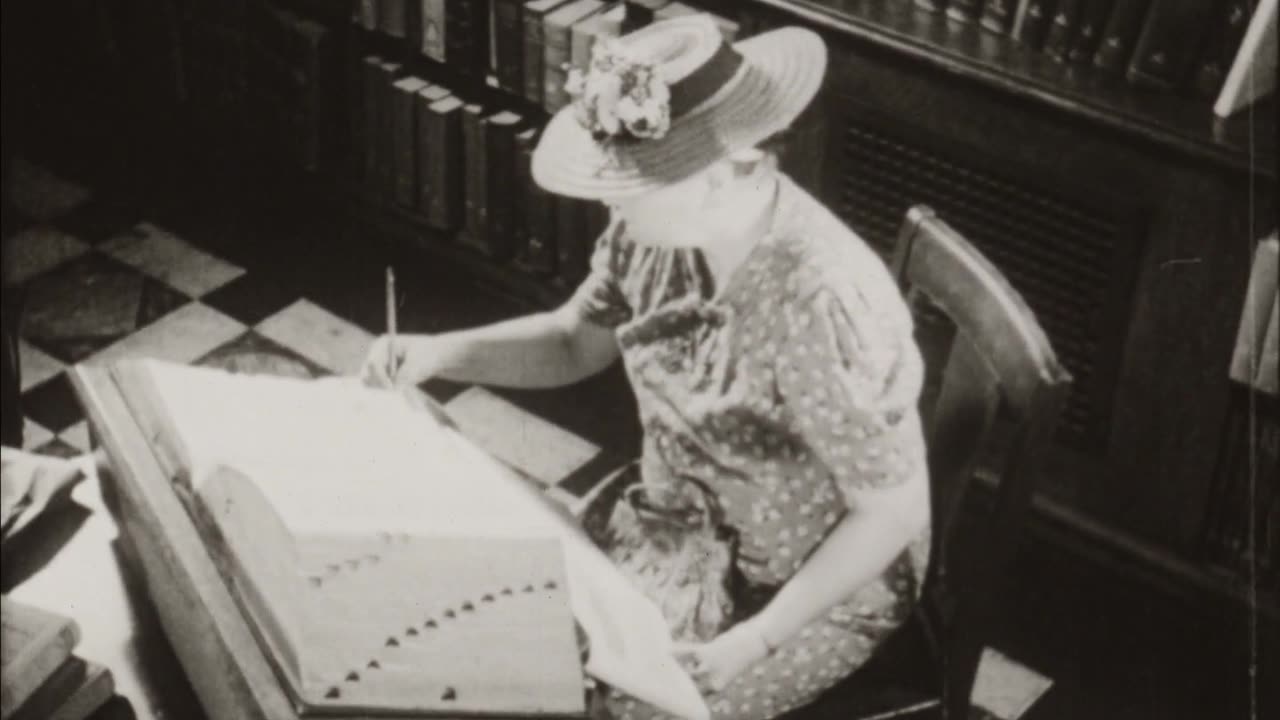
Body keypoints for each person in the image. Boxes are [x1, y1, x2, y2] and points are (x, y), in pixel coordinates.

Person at [361, 15, 931, 720]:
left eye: (630, 183)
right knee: (500, 632)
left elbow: (893, 511)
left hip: (805, 586)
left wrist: (755, 641)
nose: (609, 200)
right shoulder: (653, 233)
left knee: (614, 709)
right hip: (674, 521)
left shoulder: (824, 298)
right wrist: (438, 354)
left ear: (723, 174)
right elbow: (575, 341)